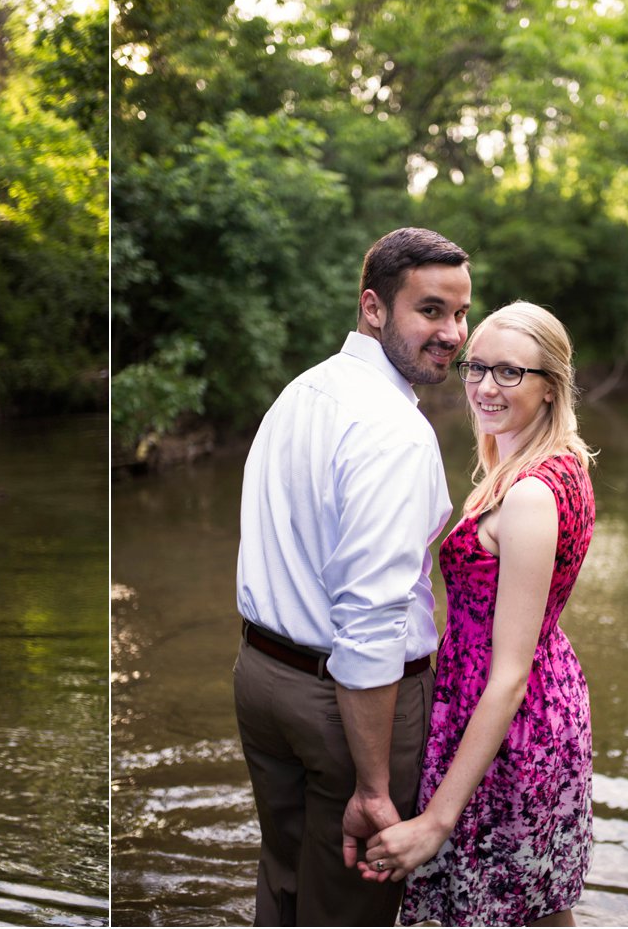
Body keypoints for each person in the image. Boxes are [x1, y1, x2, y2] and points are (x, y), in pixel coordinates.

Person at [233, 227, 472, 925]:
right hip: (349, 706)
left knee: (283, 879)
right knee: (351, 905)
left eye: (460, 312)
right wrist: (373, 782)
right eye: (430, 310)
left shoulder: (305, 390)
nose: (453, 332)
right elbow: (370, 615)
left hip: (261, 676)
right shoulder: (392, 430)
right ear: (373, 307)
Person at [359, 302, 597, 926]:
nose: (486, 387)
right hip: (539, 702)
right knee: (533, 907)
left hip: (509, 726)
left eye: (511, 373)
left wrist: (436, 823)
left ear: (550, 387)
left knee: (491, 905)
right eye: (477, 367)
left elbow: (510, 672)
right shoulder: (558, 461)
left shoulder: (531, 496)